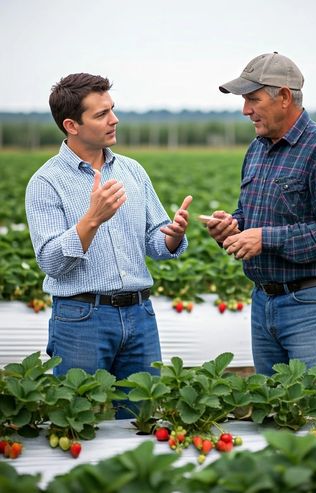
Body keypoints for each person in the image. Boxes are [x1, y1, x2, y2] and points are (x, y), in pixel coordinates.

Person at [25, 73, 192, 417]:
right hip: (82, 317)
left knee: (142, 417)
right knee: (73, 416)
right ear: (71, 124)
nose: (114, 120)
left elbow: (155, 241)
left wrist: (172, 235)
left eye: (112, 110)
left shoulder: (132, 170)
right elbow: (51, 263)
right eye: (101, 114)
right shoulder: (46, 182)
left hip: (140, 314)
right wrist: (92, 220)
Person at [206, 52, 316, 375]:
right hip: (264, 303)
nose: (246, 110)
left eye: (253, 99)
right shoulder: (257, 149)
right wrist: (233, 228)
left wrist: (264, 238)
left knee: (315, 412)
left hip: (312, 304)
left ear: (284, 97)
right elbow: (251, 216)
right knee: (272, 414)